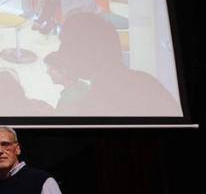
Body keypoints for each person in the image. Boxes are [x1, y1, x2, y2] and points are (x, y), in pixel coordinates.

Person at [46, 13, 181, 117]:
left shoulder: (93, 105)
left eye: (66, 45)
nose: (62, 52)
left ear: (84, 52)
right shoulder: (146, 80)